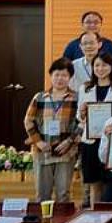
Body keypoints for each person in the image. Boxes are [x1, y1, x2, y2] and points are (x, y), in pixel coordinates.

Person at [23, 58, 80, 202]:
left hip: (66, 152)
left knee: (63, 194)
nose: (60, 78)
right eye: (57, 75)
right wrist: (38, 142)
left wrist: (69, 141)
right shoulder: (40, 97)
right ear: (51, 75)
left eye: (64, 75)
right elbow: (28, 121)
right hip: (43, 152)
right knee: (42, 195)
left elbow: (82, 123)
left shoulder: (76, 98)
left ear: (70, 77)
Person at [76, 52, 112, 207]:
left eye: (105, 65)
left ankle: (110, 216)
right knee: (94, 182)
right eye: (97, 65)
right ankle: (95, 215)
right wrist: (81, 113)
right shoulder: (85, 88)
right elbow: (79, 117)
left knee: (111, 181)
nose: (101, 69)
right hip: (90, 141)